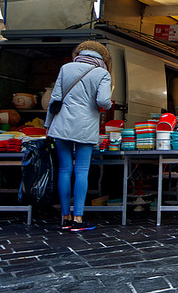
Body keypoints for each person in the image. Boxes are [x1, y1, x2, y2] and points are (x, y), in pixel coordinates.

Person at [46, 41, 112, 232]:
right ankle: (78, 218)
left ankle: (64, 217)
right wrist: (104, 105)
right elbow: (103, 101)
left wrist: (48, 126)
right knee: (82, 171)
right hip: (85, 126)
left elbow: (55, 99)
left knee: (64, 170)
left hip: (61, 125)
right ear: (102, 58)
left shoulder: (66, 68)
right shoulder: (102, 73)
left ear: (81, 53)